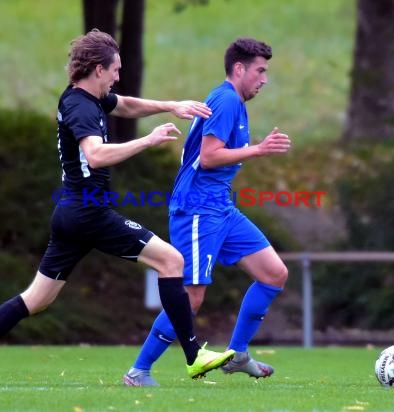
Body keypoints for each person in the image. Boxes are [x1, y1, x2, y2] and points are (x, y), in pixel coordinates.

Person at [0, 29, 235, 386]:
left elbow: (124, 104)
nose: (118, 76)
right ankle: (193, 356)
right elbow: (95, 154)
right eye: (115, 70)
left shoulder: (87, 98)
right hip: (90, 213)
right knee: (172, 261)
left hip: (70, 214)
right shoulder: (80, 106)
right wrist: (148, 139)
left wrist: (171, 105)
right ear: (97, 69)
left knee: (36, 299)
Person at [123, 37, 291, 387]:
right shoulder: (228, 100)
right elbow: (210, 155)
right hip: (198, 209)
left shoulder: (234, 102)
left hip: (220, 208)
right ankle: (139, 371)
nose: (264, 79)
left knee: (273, 273)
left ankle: (239, 354)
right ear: (240, 68)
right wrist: (259, 150)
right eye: (260, 71)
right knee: (192, 296)